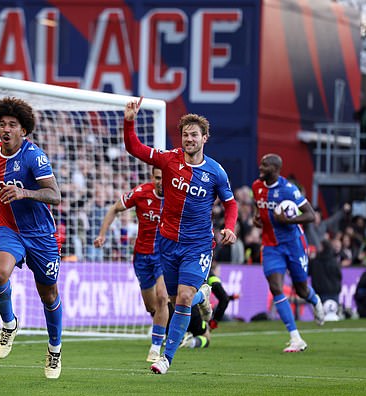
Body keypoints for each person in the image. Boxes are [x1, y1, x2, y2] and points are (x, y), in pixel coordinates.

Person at [122, 98, 238, 374]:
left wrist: (230, 226)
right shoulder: (168, 159)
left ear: (204, 138)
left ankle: (166, 358)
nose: (189, 139)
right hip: (167, 242)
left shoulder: (215, 172)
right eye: (185, 134)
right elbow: (134, 148)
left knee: (183, 297)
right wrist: (129, 121)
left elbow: (231, 203)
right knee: (176, 299)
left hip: (197, 246)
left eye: (194, 135)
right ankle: (203, 295)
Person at [0, 97, 63, 379]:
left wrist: (25, 192)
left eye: (12, 125)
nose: (6, 128)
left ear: (23, 130)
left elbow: (55, 195)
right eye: (2, 124)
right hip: (9, 228)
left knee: (48, 295)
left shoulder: (34, 157)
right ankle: (9, 323)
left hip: (40, 235)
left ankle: (54, 350)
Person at [93, 167, 169, 362]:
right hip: (142, 256)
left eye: (165, 177)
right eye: (158, 178)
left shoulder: (177, 197)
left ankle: (155, 347)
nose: (161, 181)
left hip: (165, 255)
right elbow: (114, 209)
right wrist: (102, 234)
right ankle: (165, 330)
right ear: (153, 177)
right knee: (152, 307)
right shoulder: (141, 193)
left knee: (162, 297)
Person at [251, 153, 325, 353]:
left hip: (294, 245)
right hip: (271, 246)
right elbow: (258, 212)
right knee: (276, 287)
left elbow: (310, 215)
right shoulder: (256, 187)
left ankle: (315, 300)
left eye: (265, 165)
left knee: (301, 289)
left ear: (275, 169)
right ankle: (295, 337)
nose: (261, 166)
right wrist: (257, 220)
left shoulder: (289, 190)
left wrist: (288, 221)